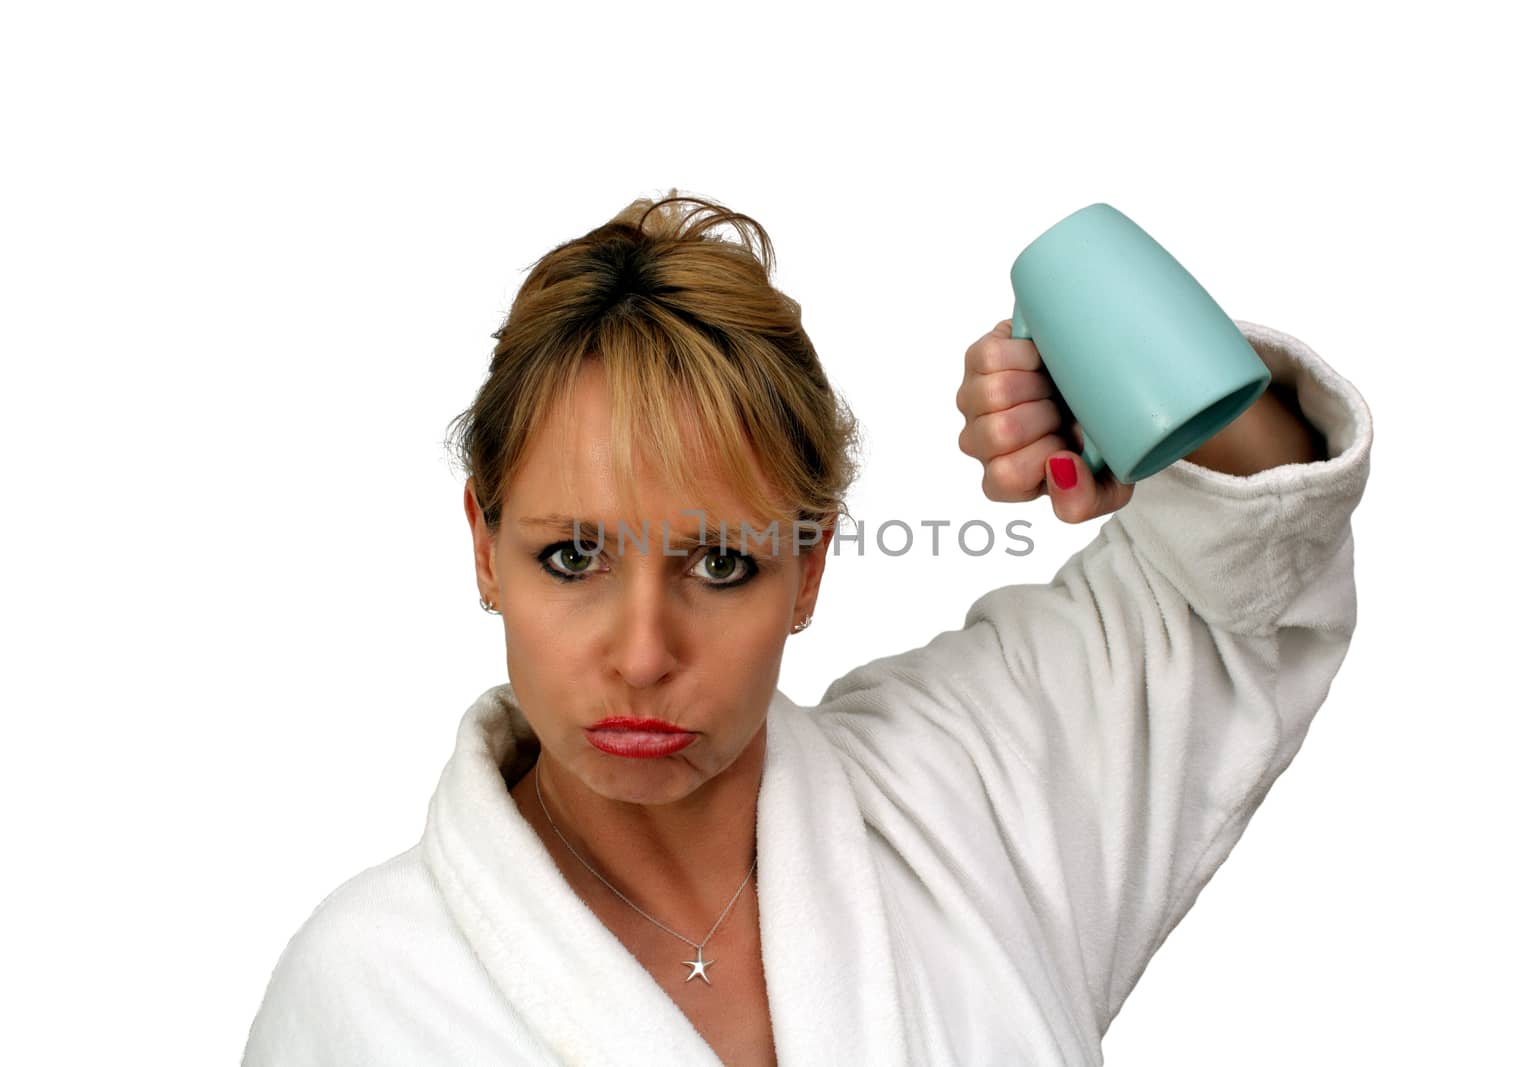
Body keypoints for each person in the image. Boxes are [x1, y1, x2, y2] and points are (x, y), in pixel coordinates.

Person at [242, 192, 1372, 1066]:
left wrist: (1131, 379)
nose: (642, 652)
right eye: (573, 556)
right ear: (484, 547)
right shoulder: (364, 989)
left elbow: (1249, 587)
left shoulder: (969, 788)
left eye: (723, 562)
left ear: (810, 566)